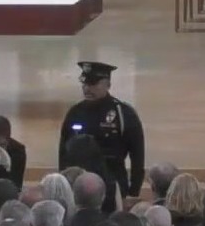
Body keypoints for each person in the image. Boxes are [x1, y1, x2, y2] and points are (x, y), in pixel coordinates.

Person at [58, 61, 145, 213]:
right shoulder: (75, 113)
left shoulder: (123, 113)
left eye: (93, 84)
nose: (87, 88)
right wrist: (63, 184)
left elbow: (137, 155)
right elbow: (63, 153)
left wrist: (133, 192)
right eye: (85, 84)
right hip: (78, 188)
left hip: (113, 186)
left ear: (108, 84)